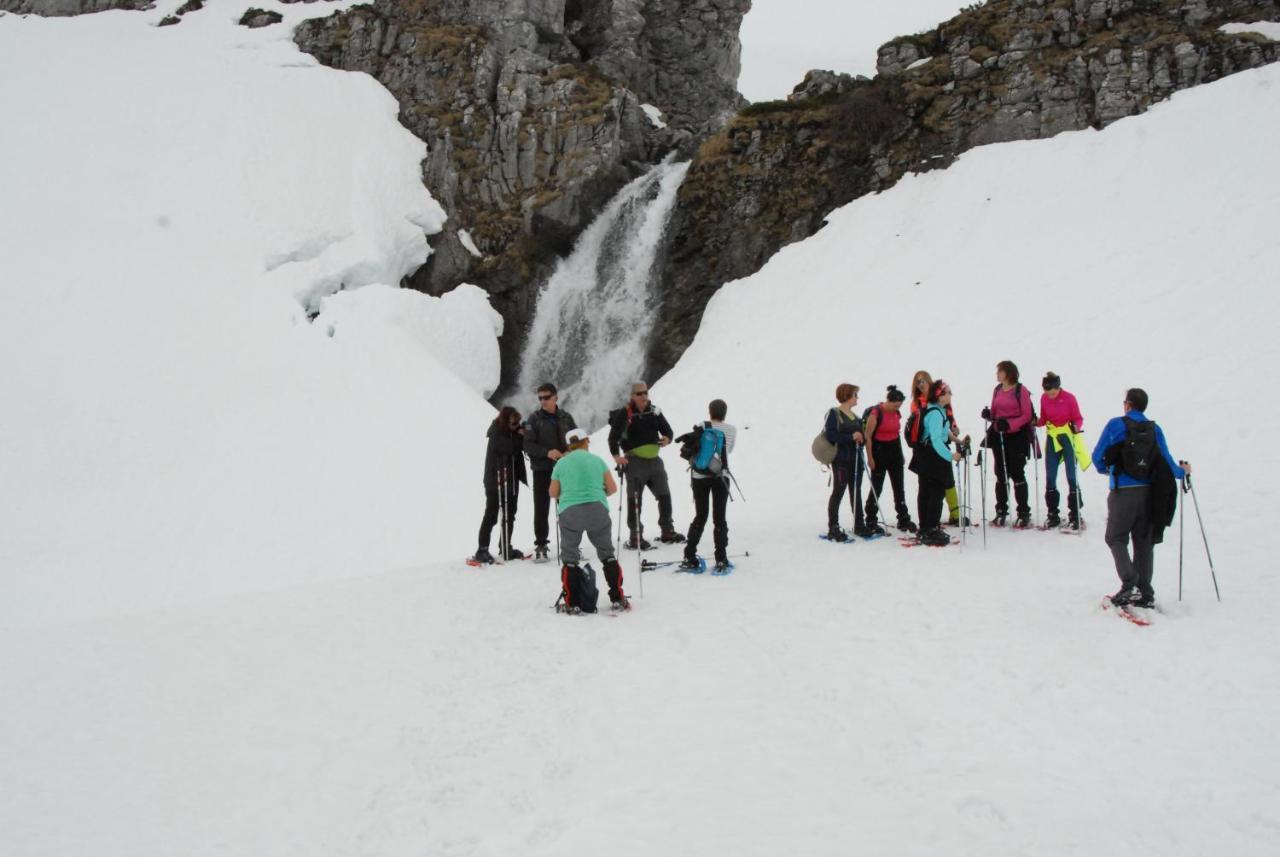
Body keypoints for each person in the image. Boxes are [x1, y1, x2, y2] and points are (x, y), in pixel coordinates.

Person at [1091, 388, 1189, 608]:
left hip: (1123, 491)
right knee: (1144, 542)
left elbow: (1098, 457)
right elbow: (1167, 460)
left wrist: (1107, 470)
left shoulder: (1115, 425)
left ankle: (1130, 584)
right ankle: (1145, 591)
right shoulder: (1155, 429)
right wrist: (1182, 471)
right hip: (1149, 493)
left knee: (1115, 537)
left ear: (1127, 404)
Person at [550, 428, 627, 608]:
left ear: (569, 445)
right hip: (597, 510)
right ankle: (617, 598)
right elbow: (612, 488)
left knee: (570, 557)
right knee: (607, 554)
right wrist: (596, 494)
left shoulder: (561, 463)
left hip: (570, 512)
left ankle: (573, 602)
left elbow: (553, 492)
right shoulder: (597, 461)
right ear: (586, 442)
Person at [607, 381, 684, 549]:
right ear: (632, 396)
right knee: (635, 500)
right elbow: (613, 437)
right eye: (639, 393)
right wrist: (616, 457)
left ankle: (667, 531)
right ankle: (636, 537)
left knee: (664, 495)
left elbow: (668, 431)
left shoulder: (654, 411)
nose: (644, 396)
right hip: (634, 461)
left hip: (655, 461)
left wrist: (667, 439)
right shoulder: (624, 413)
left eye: (645, 393)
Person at [680, 399, 737, 572]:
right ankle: (721, 559)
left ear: (709, 412)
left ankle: (689, 556)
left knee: (700, 516)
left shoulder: (701, 425)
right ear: (725, 413)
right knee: (719, 518)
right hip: (721, 476)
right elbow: (729, 450)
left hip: (699, 476)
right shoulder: (731, 430)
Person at [523, 383, 577, 563]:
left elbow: (578, 439)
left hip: (564, 469)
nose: (543, 401)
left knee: (568, 506)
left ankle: (570, 544)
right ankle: (541, 545)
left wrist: (570, 451)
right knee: (541, 507)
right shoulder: (534, 419)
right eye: (540, 398)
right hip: (542, 470)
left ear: (556, 397)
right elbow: (528, 445)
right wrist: (547, 452)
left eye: (546, 397)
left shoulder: (566, 417)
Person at [909, 379, 963, 547]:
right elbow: (936, 440)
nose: (950, 395)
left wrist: (956, 440)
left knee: (927, 491)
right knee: (935, 492)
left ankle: (926, 527)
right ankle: (930, 527)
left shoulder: (938, 410)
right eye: (947, 392)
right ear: (940, 396)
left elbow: (943, 433)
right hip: (931, 457)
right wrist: (950, 456)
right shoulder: (934, 413)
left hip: (927, 456)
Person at [981, 360, 1034, 527]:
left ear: (1008, 373)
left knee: (1017, 472)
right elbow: (995, 412)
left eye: (1000, 371)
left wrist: (1010, 425)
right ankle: (1001, 510)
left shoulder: (1021, 390)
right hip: (999, 435)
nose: (997, 374)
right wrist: (989, 415)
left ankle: (1023, 512)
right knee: (1000, 473)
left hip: (1016, 436)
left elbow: (1026, 415)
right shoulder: (997, 390)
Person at [472, 406, 528, 563]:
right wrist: (520, 436)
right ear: (505, 421)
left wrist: (520, 433)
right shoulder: (496, 433)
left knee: (510, 515)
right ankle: (482, 549)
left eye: (518, 422)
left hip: (510, 481)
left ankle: (505, 547)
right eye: (513, 423)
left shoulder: (510, 432)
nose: (516, 425)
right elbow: (509, 447)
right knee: (491, 515)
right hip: (495, 481)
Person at [1038, 372, 1087, 530]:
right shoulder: (1044, 398)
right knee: (1050, 475)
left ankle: (1075, 513)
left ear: (1058, 387)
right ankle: (1053, 513)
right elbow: (1044, 419)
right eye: (1047, 390)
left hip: (1067, 436)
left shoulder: (1069, 398)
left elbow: (1079, 418)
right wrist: (1034, 422)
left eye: (1052, 390)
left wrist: (1076, 427)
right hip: (1053, 438)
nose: (1050, 394)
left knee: (1071, 476)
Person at [864, 385, 916, 533]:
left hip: (894, 451)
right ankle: (870, 518)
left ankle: (903, 517)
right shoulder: (876, 413)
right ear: (888, 401)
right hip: (879, 451)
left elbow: (897, 433)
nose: (897, 407)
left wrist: (900, 455)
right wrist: (870, 458)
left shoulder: (896, 413)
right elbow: (868, 437)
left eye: (899, 404)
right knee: (877, 486)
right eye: (895, 404)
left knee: (899, 487)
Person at [824, 383, 867, 541]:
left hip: (856, 460)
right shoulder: (835, 414)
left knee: (856, 491)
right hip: (841, 460)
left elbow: (862, 438)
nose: (857, 398)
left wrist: (861, 438)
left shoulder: (856, 417)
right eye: (855, 395)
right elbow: (830, 435)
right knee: (839, 491)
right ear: (847, 395)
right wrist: (850, 437)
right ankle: (833, 527)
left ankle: (859, 524)